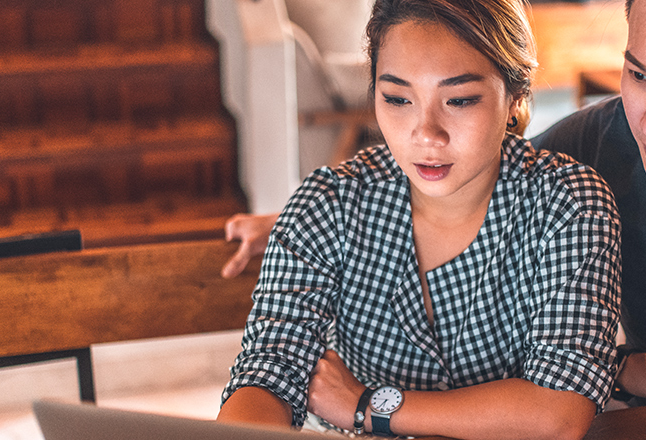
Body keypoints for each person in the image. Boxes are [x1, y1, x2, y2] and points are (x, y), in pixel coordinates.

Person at [222, 0, 646, 439]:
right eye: (638, 74)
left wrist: (612, 369)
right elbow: (462, 172)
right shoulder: (605, 140)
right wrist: (297, 221)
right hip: (643, 418)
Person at [216, 0, 621, 439]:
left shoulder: (568, 205)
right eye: (397, 99)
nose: (426, 133)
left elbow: (558, 415)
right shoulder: (327, 205)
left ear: (515, 97)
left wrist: (370, 406)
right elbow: (269, 373)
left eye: (460, 100)